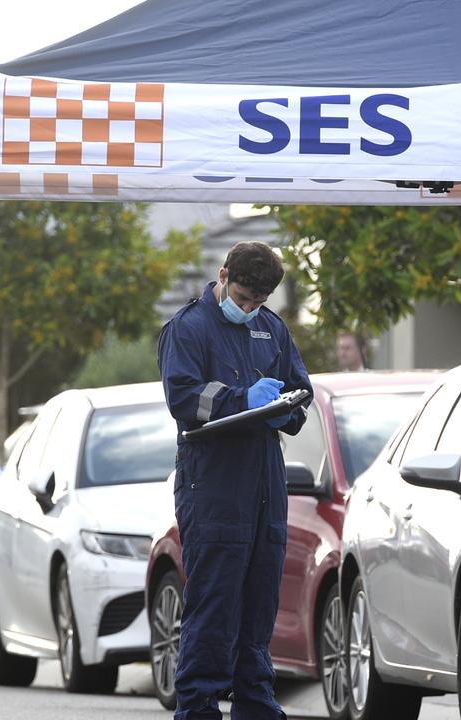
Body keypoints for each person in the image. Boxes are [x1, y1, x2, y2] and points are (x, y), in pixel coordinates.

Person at [158, 241, 312, 720]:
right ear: (223, 276)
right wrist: (242, 400)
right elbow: (184, 399)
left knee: (259, 602)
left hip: (265, 488)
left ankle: (255, 702)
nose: (248, 309)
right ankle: (200, 705)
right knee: (215, 602)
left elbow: (300, 391)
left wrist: (285, 411)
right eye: (242, 298)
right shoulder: (188, 329)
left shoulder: (272, 329)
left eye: (257, 303)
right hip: (214, 489)